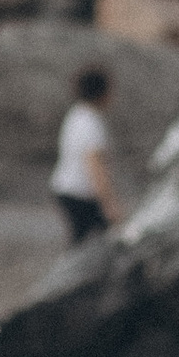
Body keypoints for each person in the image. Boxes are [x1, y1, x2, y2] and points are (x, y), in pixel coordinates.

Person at [51, 62, 122, 239]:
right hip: (80, 194)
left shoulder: (76, 114)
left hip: (66, 189)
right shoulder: (91, 123)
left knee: (82, 241)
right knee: (104, 240)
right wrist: (109, 204)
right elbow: (95, 165)